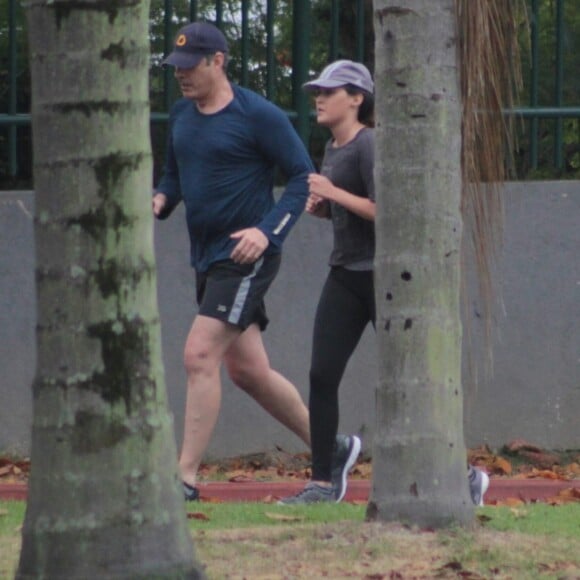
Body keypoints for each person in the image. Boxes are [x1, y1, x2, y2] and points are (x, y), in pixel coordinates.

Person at [153, 22, 356, 501]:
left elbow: (304, 178)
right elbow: (173, 176)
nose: (180, 76)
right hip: (207, 259)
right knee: (247, 372)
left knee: (199, 354)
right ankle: (335, 447)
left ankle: (182, 479)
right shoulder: (181, 115)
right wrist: (160, 198)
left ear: (217, 62)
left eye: (189, 67)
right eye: (176, 68)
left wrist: (267, 233)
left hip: (245, 258)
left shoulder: (257, 115)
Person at [279, 60, 489, 506]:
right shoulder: (333, 148)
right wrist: (323, 207)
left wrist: (334, 195)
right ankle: (322, 481)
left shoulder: (370, 143)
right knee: (321, 375)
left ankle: (462, 476)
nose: (319, 97)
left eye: (330, 91)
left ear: (357, 98)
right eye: (317, 90)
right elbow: (345, 207)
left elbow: (387, 211)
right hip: (344, 274)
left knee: (412, 381)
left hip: (383, 278)